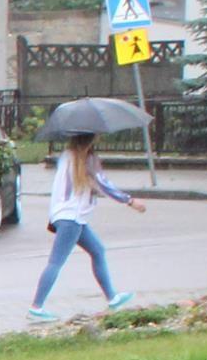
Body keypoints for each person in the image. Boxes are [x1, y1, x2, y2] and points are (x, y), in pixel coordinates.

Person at [30, 134, 146, 320]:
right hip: (72, 218)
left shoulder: (67, 155)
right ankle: (37, 307)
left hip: (66, 214)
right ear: (90, 139)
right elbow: (103, 184)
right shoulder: (87, 159)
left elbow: (84, 182)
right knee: (55, 262)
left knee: (98, 250)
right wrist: (130, 201)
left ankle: (112, 297)